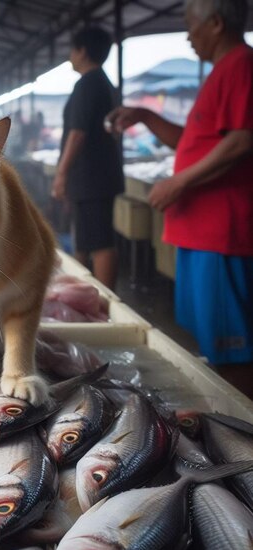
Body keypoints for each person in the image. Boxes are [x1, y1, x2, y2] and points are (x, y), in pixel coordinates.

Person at [106, 0, 253, 398]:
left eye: (191, 24)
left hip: (220, 235)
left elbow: (242, 140)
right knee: (212, 342)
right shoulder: (221, 72)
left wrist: (179, 183)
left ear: (217, 23)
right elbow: (196, 140)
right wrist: (146, 116)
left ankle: (242, 440)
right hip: (199, 235)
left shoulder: (241, 64)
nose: (188, 34)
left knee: (232, 351)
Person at [51, 26, 124, 291]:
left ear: (82, 51)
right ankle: (82, 294)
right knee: (87, 238)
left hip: (92, 177)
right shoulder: (103, 83)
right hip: (97, 175)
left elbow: (77, 133)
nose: (70, 56)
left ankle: (106, 302)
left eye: (72, 50)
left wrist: (62, 172)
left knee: (101, 242)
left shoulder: (87, 84)